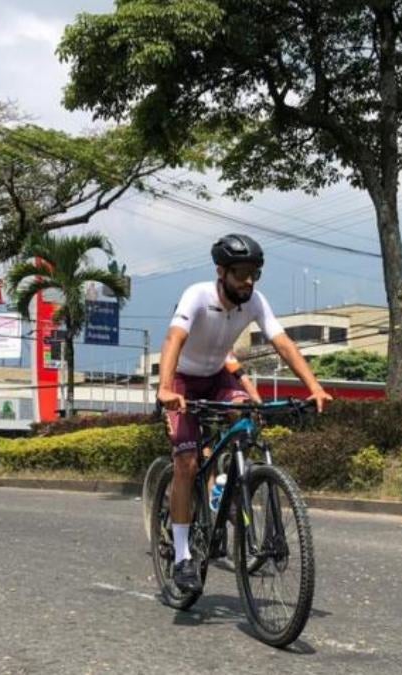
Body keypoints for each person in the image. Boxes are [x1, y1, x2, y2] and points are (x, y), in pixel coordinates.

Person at [157, 233, 333, 594]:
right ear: (221, 272)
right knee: (187, 462)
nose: (249, 281)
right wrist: (165, 389)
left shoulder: (255, 302)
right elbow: (173, 339)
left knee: (246, 413)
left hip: (218, 377)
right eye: (241, 273)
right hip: (183, 381)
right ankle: (181, 555)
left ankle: (236, 482)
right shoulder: (197, 296)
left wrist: (313, 386)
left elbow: (282, 343)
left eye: (255, 273)